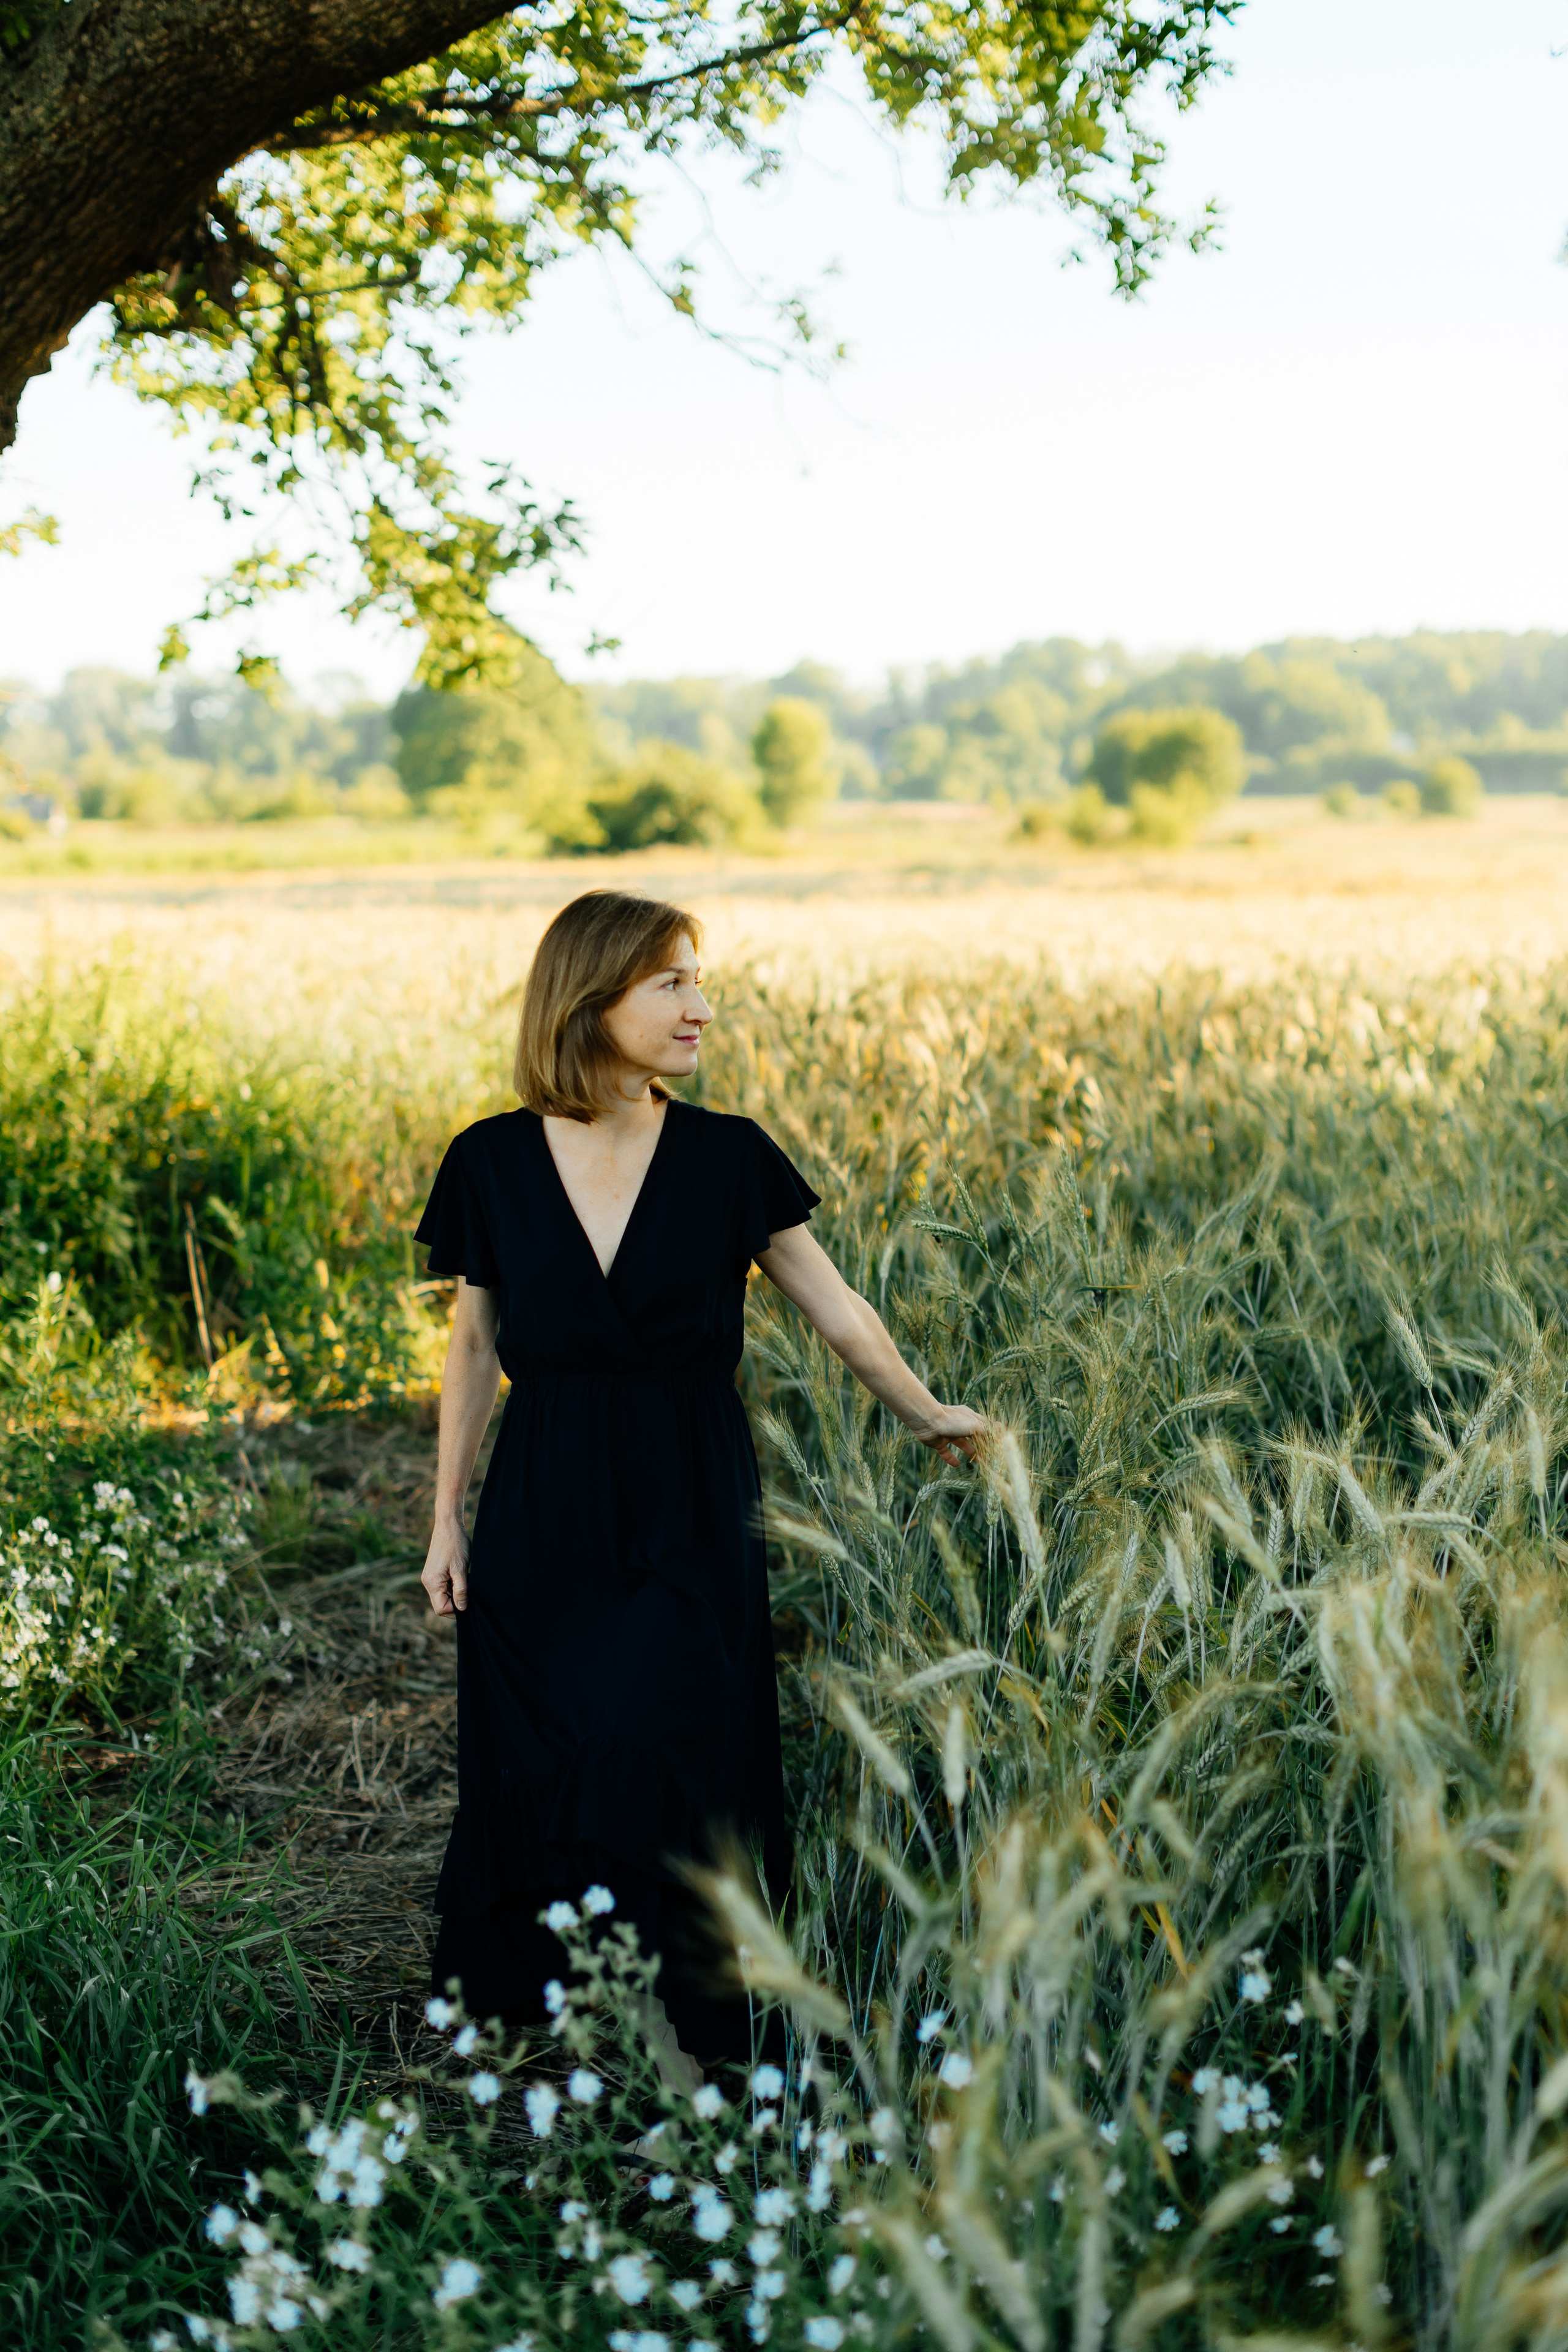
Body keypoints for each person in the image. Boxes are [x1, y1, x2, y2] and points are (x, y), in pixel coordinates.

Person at [417, 889, 984, 2085]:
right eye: (669, 981)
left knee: (675, 1733)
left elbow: (837, 1308)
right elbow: (472, 1348)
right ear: (590, 996)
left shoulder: (728, 1157)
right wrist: (444, 1519)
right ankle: (559, 1993)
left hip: (688, 1486)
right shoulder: (490, 1162)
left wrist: (925, 1411)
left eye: (695, 979)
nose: (699, 1005)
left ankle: (697, 2014)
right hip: (544, 1491)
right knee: (547, 1744)